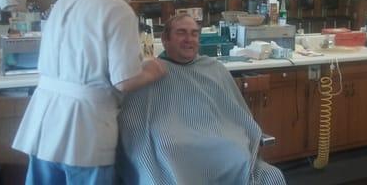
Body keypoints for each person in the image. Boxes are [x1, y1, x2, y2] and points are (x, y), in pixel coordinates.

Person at [12, 0, 168, 184]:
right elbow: (125, 80)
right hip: (84, 129)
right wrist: (152, 71)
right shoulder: (118, 9)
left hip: (45, 120)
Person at [116, 14, 286, 185]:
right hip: (176, 145)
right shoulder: (152, 72)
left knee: (269, 174)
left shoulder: (214, 68)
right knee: (168, 151)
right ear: (165, 39)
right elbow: (135, 124)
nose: (189, 39)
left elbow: (238, 116)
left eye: (194, 33)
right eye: (181, 33)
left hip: (222, 141)